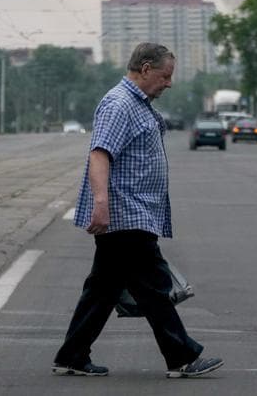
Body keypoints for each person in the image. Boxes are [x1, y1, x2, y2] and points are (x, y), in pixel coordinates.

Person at [52, 43, 222, 380]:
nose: (169, 83)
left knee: (103, 289)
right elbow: (100, 154)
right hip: (126, 213)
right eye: (165, 76)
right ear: (145, 69)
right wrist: (101, 204)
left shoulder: (136, 104)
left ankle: (72, 354)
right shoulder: (120, 104)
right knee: (153, 286)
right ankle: (182, 356)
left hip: (135, 211)